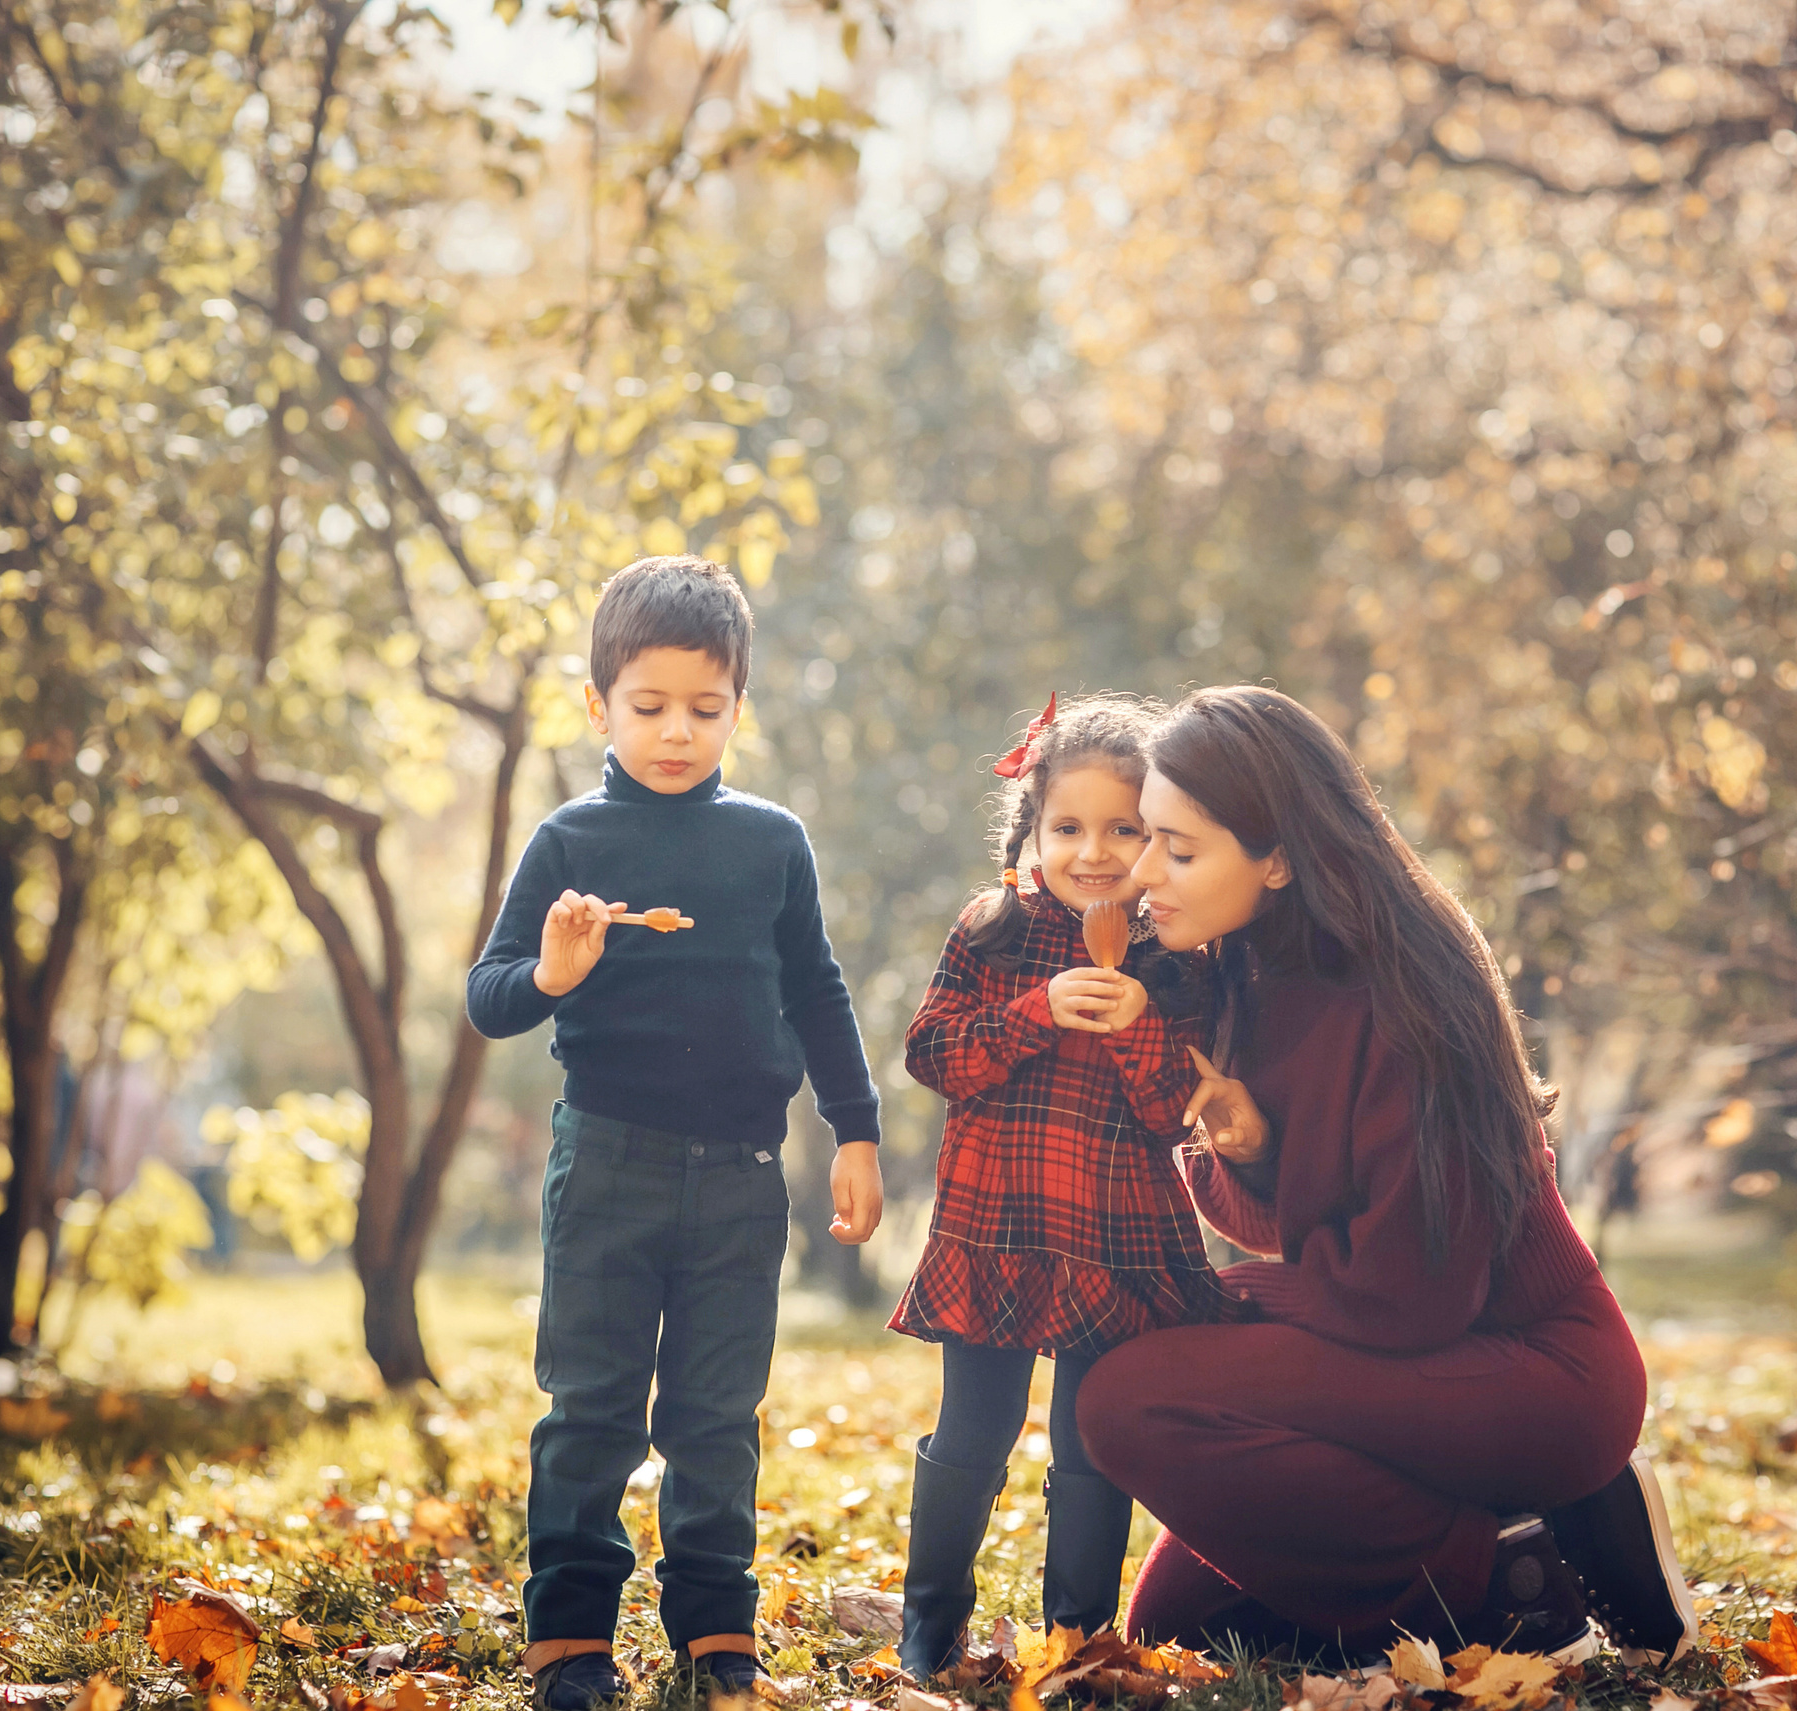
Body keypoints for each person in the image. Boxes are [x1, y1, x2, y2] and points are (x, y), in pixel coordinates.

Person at [1076, 685, 1699, 1667]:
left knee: (1127, 1398)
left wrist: (1217, 1300)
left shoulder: (1409, 997)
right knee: (1181, 1626)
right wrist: (1248, 1149)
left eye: (1179, 848)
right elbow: (1291, 1226)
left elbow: (1408, 1300)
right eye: (1148, 837)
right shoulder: (1237, 972)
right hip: (1397, 1362)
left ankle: (1509, 1589)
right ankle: (1519, 1529)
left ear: (1277, 856)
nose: (1143, 872)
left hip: (1530, 1372)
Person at [466, 556, 885, 1711]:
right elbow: (490, 993)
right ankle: (569, 1638)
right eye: (648, 707)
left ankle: (714, 1625)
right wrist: (554, 970)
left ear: (738, 708)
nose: (676, 732)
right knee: (591, 1405)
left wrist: (854, 1128)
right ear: (596, 705)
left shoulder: (769, 843)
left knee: (713, 1413)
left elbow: (818, 991)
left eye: (705, 709)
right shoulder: (568, 841)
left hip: (745, 1175)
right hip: (607, 1163)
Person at [889, 695, 1229, 1680]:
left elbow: (1177, 1111)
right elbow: (932, 1054)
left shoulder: (1172, 959)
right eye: (1068, 827)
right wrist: (1035, 1012)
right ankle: (930, 1622)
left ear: (1158, 838)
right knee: (970, 1435)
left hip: (1113, 1240)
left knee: (1091, 1450)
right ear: (1029, 833)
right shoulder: (992, 931)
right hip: (995, 1225)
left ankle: (1074, 1639)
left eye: (1125, 829)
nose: (1094, 851)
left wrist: (1137, 1025)